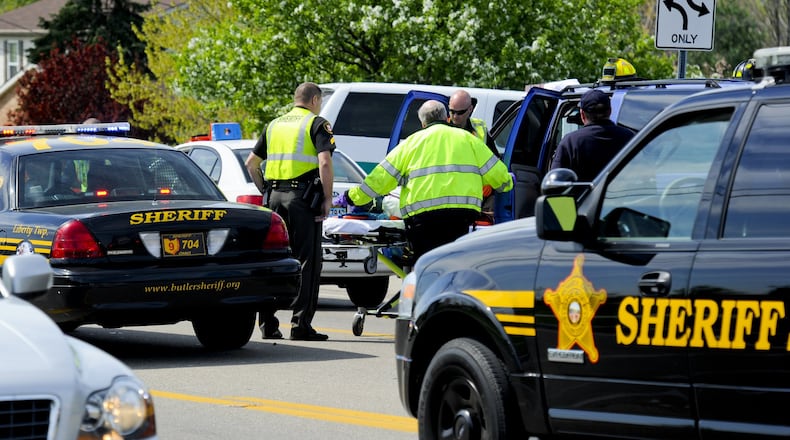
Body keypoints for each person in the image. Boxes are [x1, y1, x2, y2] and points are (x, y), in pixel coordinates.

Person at [337, 100, 513, 263]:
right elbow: (500, 177)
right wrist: (508, 183)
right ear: (447, 117)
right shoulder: (469, 140)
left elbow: (379, 180)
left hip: (423, 220)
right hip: (460, 218)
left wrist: (352, 197)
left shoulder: (410, 144)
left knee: (427, 266)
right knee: (453, 264)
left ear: (422, 123)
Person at [245, 82, 335, 341]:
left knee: (273, 260)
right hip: (302, 200)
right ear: (315, 100)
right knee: (307, 261)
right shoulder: (317, 124)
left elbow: (251, 163)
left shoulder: (274, 125)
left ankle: (268, 324)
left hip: (274, 199)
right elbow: (324, 162)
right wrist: (327, 198)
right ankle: (300, 325)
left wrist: (266, 190)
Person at [550, 89, 635, 182]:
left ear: (582, 114)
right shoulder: (630, 138)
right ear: (610, 111)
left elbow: (556, 181)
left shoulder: (570, 142)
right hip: (624, 191)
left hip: (583, 192)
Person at [449, 89, 496, 224]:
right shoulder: (441, 129)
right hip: (450, 196)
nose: (455, 116)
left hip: (477, 197)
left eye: (460, 112)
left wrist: (490, 184)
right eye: (452, 111)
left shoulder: (479, 128)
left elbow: (493, 160)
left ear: (470, 109)